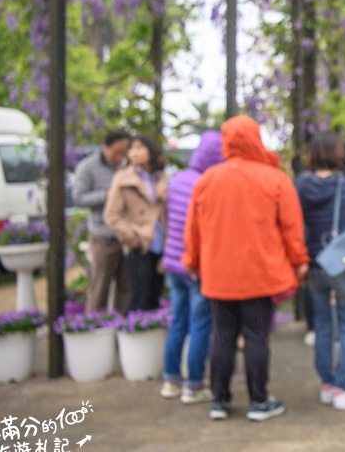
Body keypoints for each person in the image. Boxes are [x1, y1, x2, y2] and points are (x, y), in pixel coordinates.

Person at [183, 116, 309, 422]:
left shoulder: (207, 180)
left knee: (222, 336)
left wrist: (193, 261)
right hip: (259, 274)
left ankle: (220, 401)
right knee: (256, 337)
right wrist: (299, 260)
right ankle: (259, 401)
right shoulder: (274, 179)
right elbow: (291, 227)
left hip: (218, 275)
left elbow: (193, 230)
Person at [296, 133, 345, 411]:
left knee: (322, 327)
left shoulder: (301, 185)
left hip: (317, 264)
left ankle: (327, 386)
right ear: (337, 154)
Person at [159, 130, 224, 405]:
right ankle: (194, 385)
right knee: (200, 325)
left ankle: (171, 380)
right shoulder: (207, 184)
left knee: (178, 322)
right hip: (195, 266)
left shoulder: (178, 180)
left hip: (173, 263)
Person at [103, 135, 167, 313]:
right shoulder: (123, 178)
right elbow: (111, 215)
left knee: (155, 296)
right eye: (131, 149)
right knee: (139, 297)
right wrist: (132, 238)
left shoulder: (161, 177)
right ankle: (130, 335)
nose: (134, 153)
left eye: (139, 148)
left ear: (150, 151)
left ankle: (149, 337)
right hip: (140, 243)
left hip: (160, 243)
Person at [73, 130, 130, 313]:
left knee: (126, 287)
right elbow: (78, 199)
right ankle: (95, 330)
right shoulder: (87, 167)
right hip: (103, 236)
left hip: (127, 236)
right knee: (100, 287)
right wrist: (105, 196)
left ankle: (121, 332)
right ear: (105, 147)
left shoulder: (127, 166)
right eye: (116, 152)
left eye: (124, 152)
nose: (120, 157)